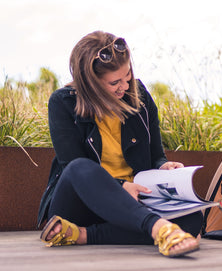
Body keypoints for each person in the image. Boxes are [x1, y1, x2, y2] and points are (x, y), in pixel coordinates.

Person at [36, 31, 201, 257]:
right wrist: (121, 186)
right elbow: (71, 167)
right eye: (115, 82)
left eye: (128, 75)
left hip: (131, 203)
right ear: (90, 84)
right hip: (79, 204)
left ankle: (83, 235)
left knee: (193, 220)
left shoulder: (139, 96)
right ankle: (159, 228)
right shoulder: (62, 103)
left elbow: (156, 155)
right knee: (79, 166)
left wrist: (163, 166)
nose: (124, 86)